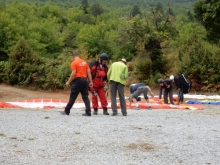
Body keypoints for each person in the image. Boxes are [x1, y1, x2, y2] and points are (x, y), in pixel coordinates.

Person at [60, 51, 93, 116]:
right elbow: (89, 73)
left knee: (73, 96)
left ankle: (66, 111)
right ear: (78, 55)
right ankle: (88, 112)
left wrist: (68, 81)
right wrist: (91, 81)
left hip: (78, 80)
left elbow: (73, 73)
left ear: (73, 56)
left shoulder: (74, 63)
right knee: (85, 97)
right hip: (84, 80)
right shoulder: (84, 62)